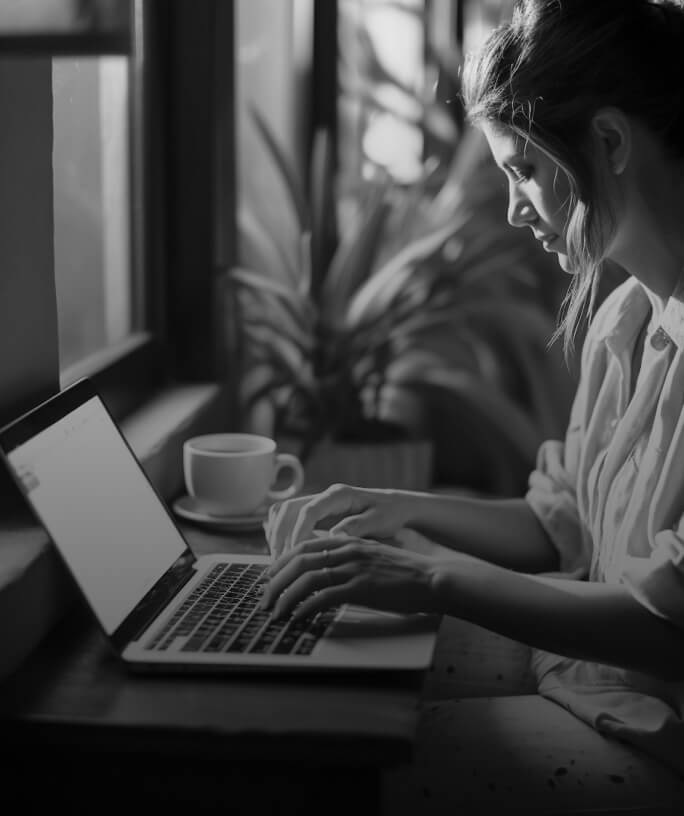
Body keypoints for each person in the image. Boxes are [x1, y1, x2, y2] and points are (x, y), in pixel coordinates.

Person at [260, 0, 684, 810]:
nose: (516, 209)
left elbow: (664, 625)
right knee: (332, 684)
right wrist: (386, 508)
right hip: (586, 682)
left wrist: (430, 576)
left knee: (338, 769)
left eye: (522, 171)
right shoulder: (623, 321)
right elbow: (557, 525)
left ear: (610, 142)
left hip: (655, 734)